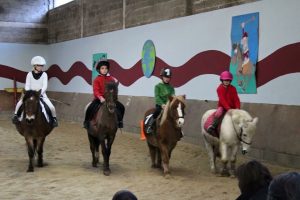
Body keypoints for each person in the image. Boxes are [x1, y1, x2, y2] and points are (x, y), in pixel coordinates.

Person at [12, 56, 58, 127]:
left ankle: (54, 119)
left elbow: (45, 86)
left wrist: (39, 93)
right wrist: (29, 93)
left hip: (41, 94)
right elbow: (27, 85)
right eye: (39, 66)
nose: (41, 67)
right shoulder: (29, 74)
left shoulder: (44, 75)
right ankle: (15, 116)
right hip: (30, 94)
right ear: (35, 66)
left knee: (51, 107)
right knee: (20, 103)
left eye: (42, 66)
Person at [83, 58, 125, 129]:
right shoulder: (96, 80)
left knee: (121, 107)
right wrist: (100, 97)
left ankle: (119, 122)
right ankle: (86, 122)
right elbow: (96, 91)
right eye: (102, 68)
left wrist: (114, 97)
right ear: (99, 69)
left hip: (110, 99)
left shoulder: (111, 79)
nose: (104, 70)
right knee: (90, 108)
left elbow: (114, 90)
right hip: (99, 99)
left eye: (106, 68)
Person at [146, 67, 175, 134]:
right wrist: (162, 104)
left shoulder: (171, 87)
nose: (167, 79)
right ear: (162, 77)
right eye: (166, 77)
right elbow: (157, 97)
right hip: (160, 105)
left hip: (169, 106)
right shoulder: (157, 86)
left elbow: (173, 96)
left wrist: (173, 100)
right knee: (157, 111)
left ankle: (179, 130)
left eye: (169, 77)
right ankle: (149, 126)